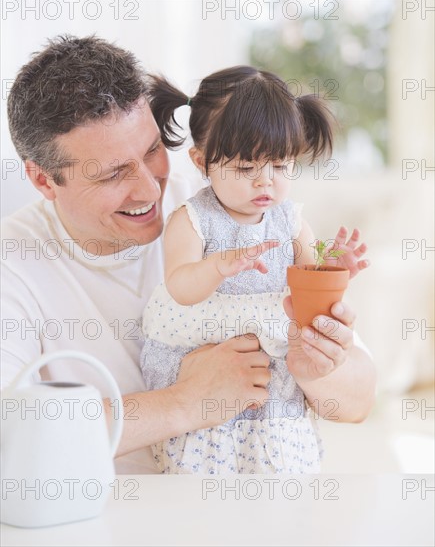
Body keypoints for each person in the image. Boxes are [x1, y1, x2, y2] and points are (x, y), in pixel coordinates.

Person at [1, 36, 375, 469]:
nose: (147, 189)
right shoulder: (14, 265)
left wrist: (320, 370)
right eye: (112, 175)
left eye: (152, 151)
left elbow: (359, 401)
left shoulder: (227, 203)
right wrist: (185, 401)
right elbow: (11, 438)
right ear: (44, 180)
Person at [140, 67, 372, 473]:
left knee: (277, 481)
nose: (266, 183)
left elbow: (306, 285)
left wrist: (333, 269)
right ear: (201, 161)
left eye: (281, 167)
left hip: (273, 374)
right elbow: (180, 288)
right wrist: (217, 266)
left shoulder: (290, 220)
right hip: (210, 364)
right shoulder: (193, 219)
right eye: (247, 169)